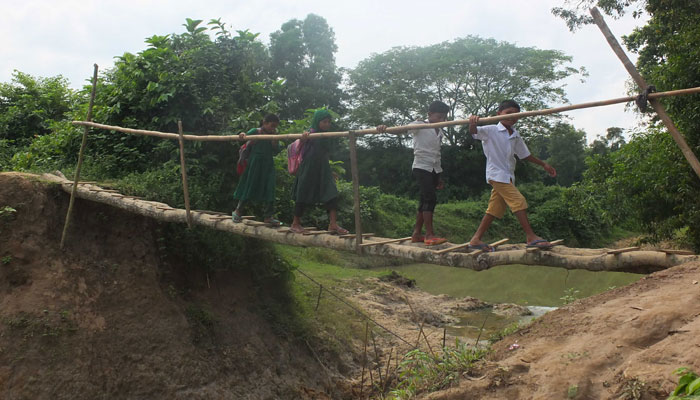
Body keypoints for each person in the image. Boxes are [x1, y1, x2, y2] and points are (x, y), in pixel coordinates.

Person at [467, 99, 557, 251]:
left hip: (508, 176)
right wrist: (472, 122)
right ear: (499, 114)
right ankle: (530, 236)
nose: (512, 117)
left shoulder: (515, 135)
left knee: (494, 209)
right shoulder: (491, 130)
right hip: (496, 175)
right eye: (508, 113)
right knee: (518, 201)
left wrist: (543, 164)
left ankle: (475, 239)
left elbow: (524, 155)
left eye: (516, 114)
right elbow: (474, 132)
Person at [289, 109, 348, 235]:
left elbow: (324, 155)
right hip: (309, 166)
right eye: (324, 122)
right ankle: (295, 223)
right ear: (317, 121)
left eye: (329, 122)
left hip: (323, 167)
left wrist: (329, 171)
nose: (327, 124)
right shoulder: (311, 133)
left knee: (331, 192)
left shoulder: (326, 137)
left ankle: (333, 224)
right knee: (302, 193)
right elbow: (299, 145)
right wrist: (304, 138)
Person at [407, 100, 451, 246]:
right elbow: (402, 129)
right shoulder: (419, 125)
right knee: (429, 199)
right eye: (439, 117)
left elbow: (437, 154)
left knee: (423, 200)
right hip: (421, 166)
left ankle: (417, 234)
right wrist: (384, 129)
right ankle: (429, 234)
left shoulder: (440, 131)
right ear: (430, 114)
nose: (442, 120)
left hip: (433, 169)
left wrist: (438, 176)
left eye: (444, 118)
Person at [232, 113, 282, 226]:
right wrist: (243, 134)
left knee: (270, 188)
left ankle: (268, 216)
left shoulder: (274, 134)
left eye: (275, 126)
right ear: (265, 123)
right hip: (255, 163)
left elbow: (276, 151)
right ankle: (238, 211)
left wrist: (274, 143)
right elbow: (244, 137)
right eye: (272, 125)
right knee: (249, 185)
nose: (273, 128)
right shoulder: (256, 131)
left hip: (268, 164)